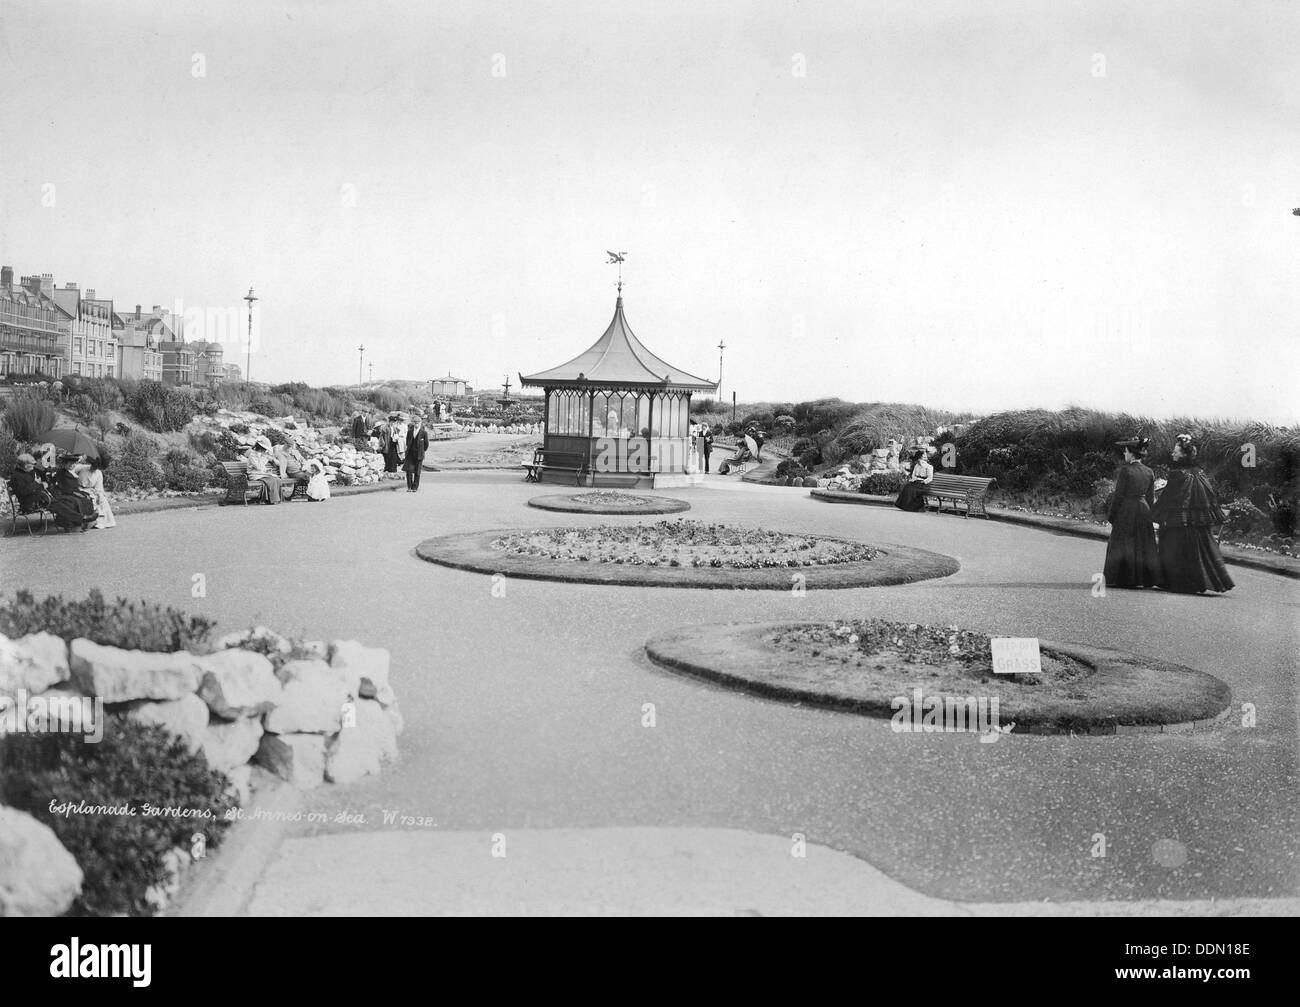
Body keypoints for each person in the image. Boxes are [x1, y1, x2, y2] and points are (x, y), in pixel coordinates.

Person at [1151, 434, 1234, 594]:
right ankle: (1194, 583)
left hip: (1179, 521)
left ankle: (1175, 582)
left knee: (1172, 546)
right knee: (1198, 551)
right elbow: (1208, 496)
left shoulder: (1178, 473)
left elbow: (1169, 497)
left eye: (1176, 451)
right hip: (1198, 522)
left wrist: (1156, 512)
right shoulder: (1200, 472)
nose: (1172, 453)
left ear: (1183, 454)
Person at [1103, 436, 1160, 588]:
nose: (1124, 454)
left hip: (1127, 509)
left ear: (1132, 454)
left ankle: (1121, 577)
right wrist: (1149, 515)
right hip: (1143, 509)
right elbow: (1150, 497)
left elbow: (1119, 495)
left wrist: (1112, 516)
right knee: (1142, 543)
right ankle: (1142, 579)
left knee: (1123, 542)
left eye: (1126, 451)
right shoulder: (1149, 472)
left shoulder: (1126, 471)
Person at [48, 453, 98, 532]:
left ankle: (86, 522)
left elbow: (74, 487)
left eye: (74, 463)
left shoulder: (71, 472)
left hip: (71, 492)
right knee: (75, 501)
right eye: (70, 464)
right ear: (64, 464)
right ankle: (73, 524)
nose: (72, 465)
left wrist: (82, 494)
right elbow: (64, 487)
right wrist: (76, 493)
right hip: (62, 494)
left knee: (87, 499)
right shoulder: (60, 473)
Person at [77, 450, 116, 529]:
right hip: (79, 490)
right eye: (93, 466)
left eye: (96, 467)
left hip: (91, 491)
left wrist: (99, 494)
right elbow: (72, 476)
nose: (94, 468)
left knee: (102, 500)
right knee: (89, 499)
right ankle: (90, 521)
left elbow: (99, 487)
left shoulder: (98, 473)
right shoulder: (81, 468)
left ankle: (102, 521)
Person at [245, 437, 285, 505]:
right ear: (260, 449)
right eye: (264, 449)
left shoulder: (262, 455)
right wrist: (264, 459)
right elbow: (258, 467)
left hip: (261, 474)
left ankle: (277, 499)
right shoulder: (252, 455)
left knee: (277, 479)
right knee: (271, 480)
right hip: (254, 474)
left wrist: (267, 468)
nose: (265, 451)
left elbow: (263, 467)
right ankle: (272, 500)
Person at [404, 414, 429, 492]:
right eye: (415, 422)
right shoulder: (410, 432)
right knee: (409, 471)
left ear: (420, 423)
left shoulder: (424, 433)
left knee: (417, 472)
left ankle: (415, 487)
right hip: (410, 454)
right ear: (413, 423)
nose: (416, 424)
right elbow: (407, 442)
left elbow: (426, 444)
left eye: (418, 423)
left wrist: (421, 451)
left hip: (419, 455)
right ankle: (409, 486)